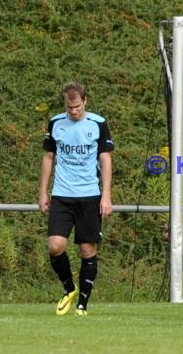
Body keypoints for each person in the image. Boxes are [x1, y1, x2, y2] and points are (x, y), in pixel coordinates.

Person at [39, 82, 114, 316]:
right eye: (69, 107)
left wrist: (107, 196)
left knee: (87, 249)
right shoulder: (55, 123)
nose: (73, 111)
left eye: (77, 106)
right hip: (62, 195)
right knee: (55, 246)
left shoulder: (98, 123)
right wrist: (43, 191)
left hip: (90, 195)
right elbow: (49, 157)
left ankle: (83, 303)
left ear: (85, 101)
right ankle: (69, 288)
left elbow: (106, 160)